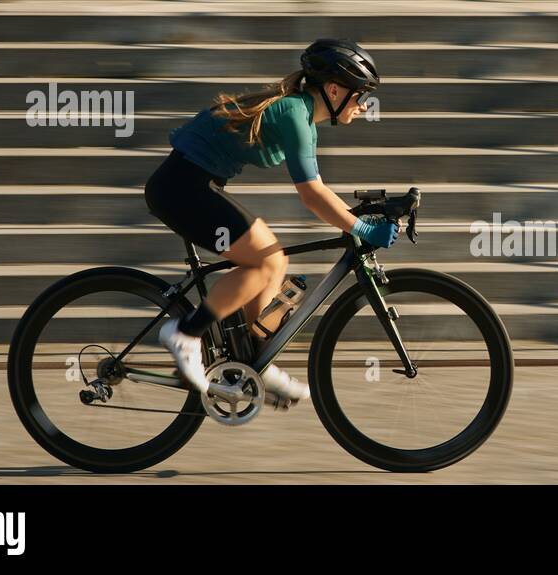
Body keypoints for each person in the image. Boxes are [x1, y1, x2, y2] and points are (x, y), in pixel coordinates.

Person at [144, 39, 397, 406]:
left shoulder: (303, 117)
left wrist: (354, 218)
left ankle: (251, 361)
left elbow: (319, 192)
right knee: (267, 259)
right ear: (333, 89)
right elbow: (312, 196)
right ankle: (185, 332)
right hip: (181, 188)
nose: (362, 106)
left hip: (192, 184)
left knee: (274, 262)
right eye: (359, 96)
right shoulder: (295, 113)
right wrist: (362, 228)